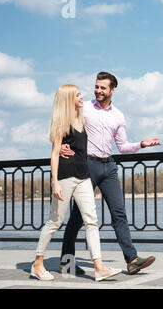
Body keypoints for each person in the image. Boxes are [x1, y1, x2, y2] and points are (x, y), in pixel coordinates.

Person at [59, 72, 162, 275]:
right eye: (96, 86)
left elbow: (122, 146)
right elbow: (61, 124)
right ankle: (67, 262)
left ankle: (132, 260)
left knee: (119, 213)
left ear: (112, 90)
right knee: (78, 217)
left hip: (109, 167)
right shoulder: (84, 107)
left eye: (102, 88)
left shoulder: (118, 115)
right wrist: (61, 144)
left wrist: (141, 144)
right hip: (86, 165)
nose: (98, 90)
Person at [31, 84, 122, 282]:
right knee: (55, 221)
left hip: (84, 176)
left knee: (91, 220)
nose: (82, 97)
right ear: (68, 99)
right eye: (78, 95)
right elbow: (54, 154)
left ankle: (99, 267)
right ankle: (37, 264)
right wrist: (55, 183)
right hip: (65, 176)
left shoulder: (83, 119)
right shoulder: (61, 123)